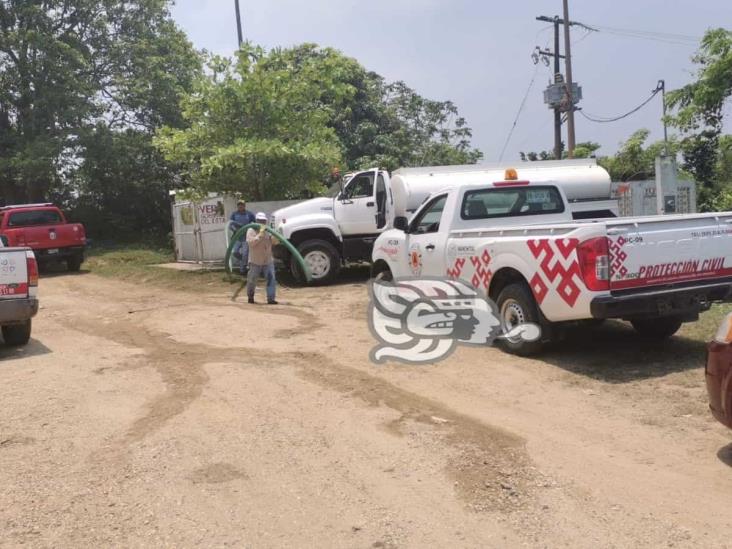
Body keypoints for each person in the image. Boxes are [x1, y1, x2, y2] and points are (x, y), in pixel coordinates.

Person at [246, 212, 278, 305]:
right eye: (260, 221)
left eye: (263, 221)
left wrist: (275, 236)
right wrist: (260, 234)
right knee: (252, 280)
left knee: (271, 279)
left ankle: (271, 299)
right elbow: (251, 243)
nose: (261, 222)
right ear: (256, 221)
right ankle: (250, 297)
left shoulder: (268, 230)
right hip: (255, 260)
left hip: (267, 260)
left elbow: (275, 242)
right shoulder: (250, 230)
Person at [230, 201, 255, 275]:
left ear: (244, 206)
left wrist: (250, 229)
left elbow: (254, 223)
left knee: (245, 254)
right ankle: (244, 261)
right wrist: (234, 229)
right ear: (237, 206)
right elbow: (230, 224)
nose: (240, 207)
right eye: (239, 205)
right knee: (234, 252)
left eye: (242, 205)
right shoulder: (234, 214)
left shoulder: (249, 214)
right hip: (237, 237)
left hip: (246, 237)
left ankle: (242, 270)